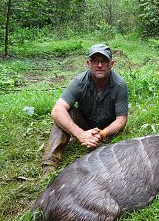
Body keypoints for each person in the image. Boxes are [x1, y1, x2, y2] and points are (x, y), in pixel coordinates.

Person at [41, 44, 128, 173]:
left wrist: (101, 134)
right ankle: (49, 163)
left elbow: (121, 120)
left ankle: (100, 142)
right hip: (85, 123)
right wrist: (81, 134)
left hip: (107, 128)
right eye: (95, 61)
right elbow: (56, 110)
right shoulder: (79, 82)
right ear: (88, 63)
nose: (99, 65)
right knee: (64, 113)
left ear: (111, 64)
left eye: (104, 61)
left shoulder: (119, 84)